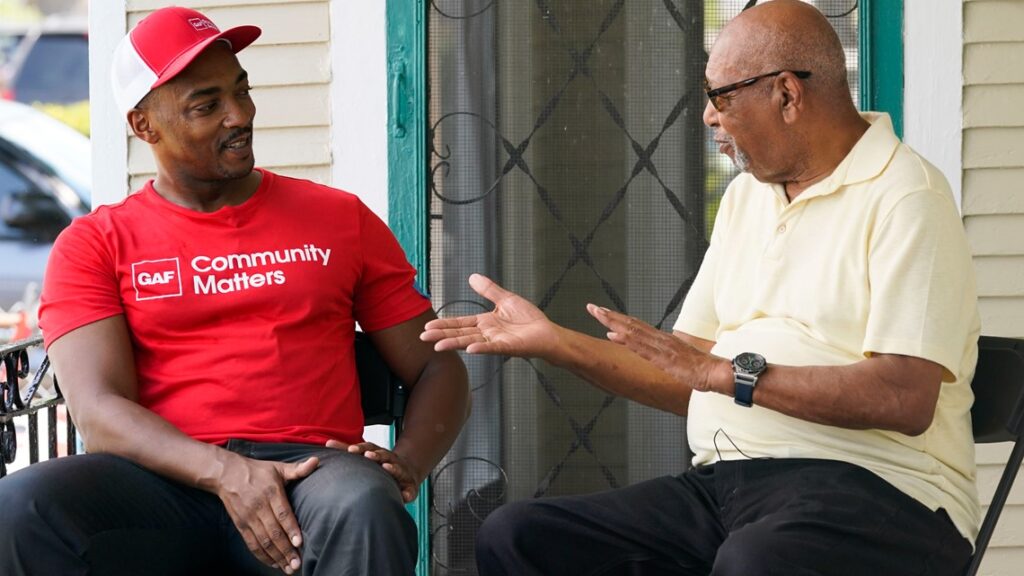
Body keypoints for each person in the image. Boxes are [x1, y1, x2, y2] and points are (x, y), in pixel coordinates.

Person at [421, 1, 980, 575]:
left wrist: (731, 375)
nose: (709, 118)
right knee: (519, 537)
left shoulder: (906, 196)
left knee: (755, 560)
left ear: (786, 95)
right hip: (729, 487)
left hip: (886, 492)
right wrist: (555, 342)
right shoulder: (747, 199)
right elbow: (686, 374)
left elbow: (903, 397)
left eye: (721, 96)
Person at [0, 7, 469, 576]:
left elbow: (437, 367)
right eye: (207, 105)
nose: (239, 115)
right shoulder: (96, 243)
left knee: (365, 504)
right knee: (21, 508)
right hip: (162, 484)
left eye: (241, 91)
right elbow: (98, 411)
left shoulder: (337, 218)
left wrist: (408, 463)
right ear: (144, 125)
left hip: (310, 479)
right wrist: (225, 472)